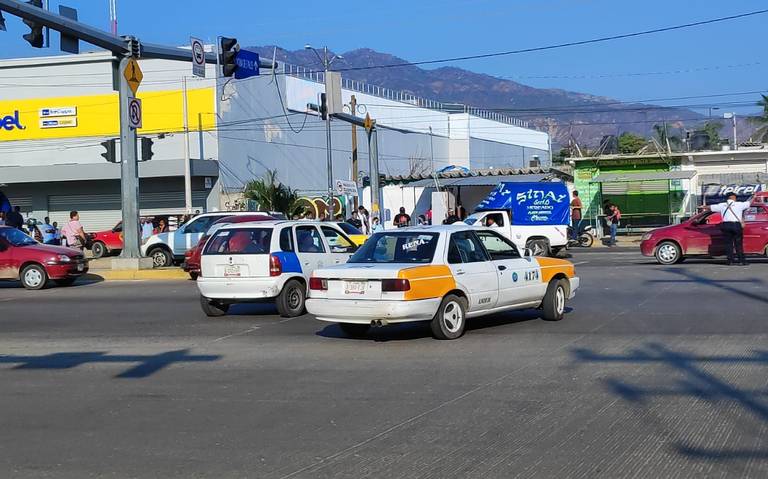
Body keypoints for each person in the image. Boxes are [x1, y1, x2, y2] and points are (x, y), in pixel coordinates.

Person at [702, 192, 752, 265]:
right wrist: (754, 196)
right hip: (736, 225)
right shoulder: (739, 204)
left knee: (728, 244)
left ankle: (730, 261)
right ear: (733, 197)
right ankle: (741, 261)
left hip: (726, 225)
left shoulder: (722, 205)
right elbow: (749, 203)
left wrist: (702, 207)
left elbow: (710, 207)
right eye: (735, 197)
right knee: (738, 244)